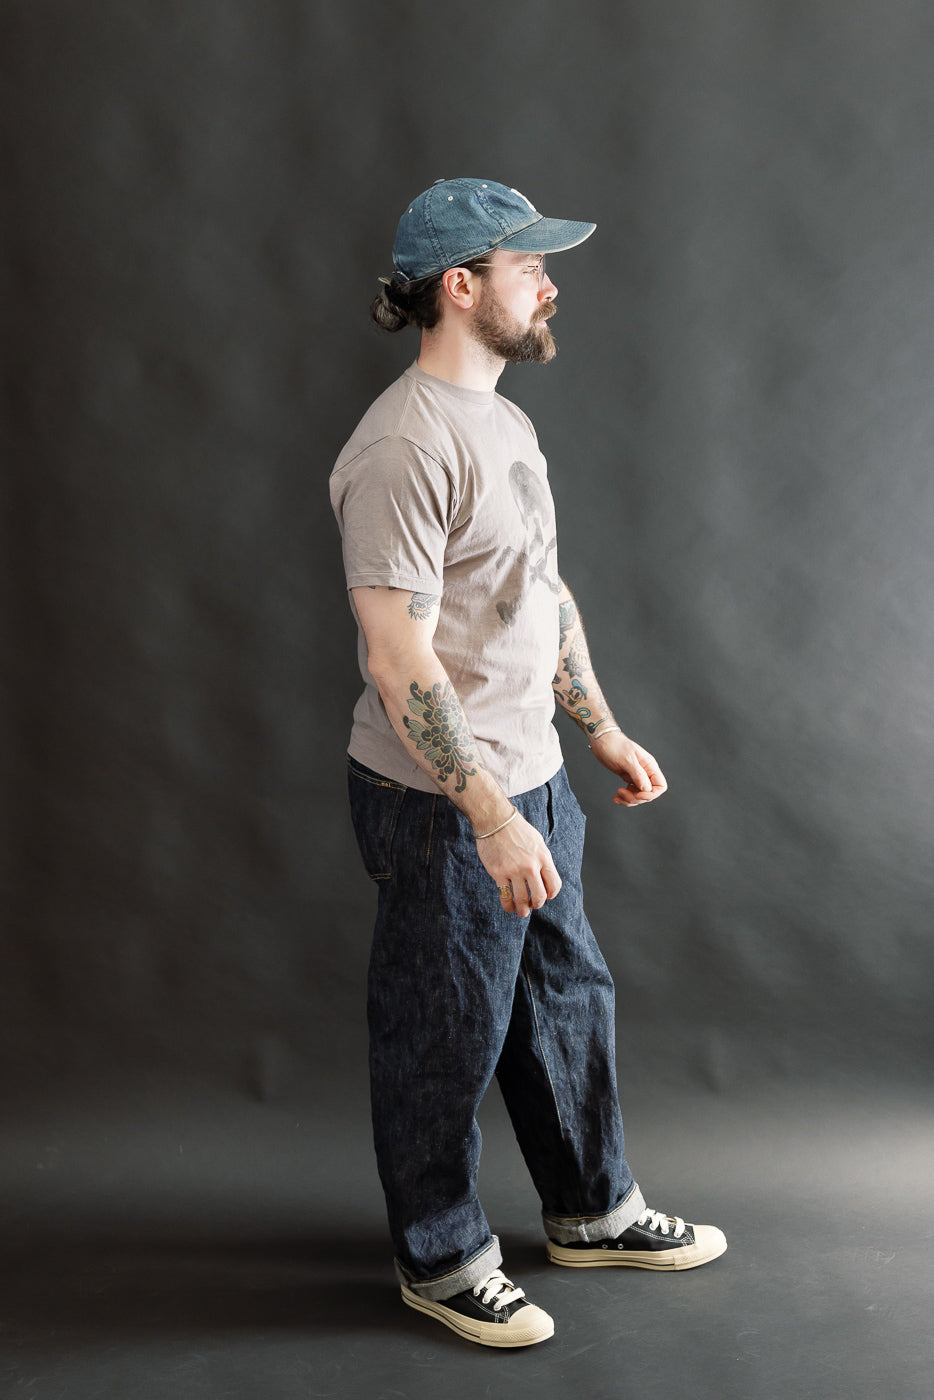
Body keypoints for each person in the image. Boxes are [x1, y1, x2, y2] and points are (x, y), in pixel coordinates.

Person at [329, 177, 726, 1349]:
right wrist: (490, 814)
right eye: (527, 266)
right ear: (461, 285)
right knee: (443, 1023)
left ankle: (590, 1208)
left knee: (565, 999)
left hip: (532, 772)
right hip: (443, 795)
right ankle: (442, 1254)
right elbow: (398, 654)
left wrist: (593, 723)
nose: (551, 284)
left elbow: (535, 592)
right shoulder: (403, 444)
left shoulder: (505, 423)